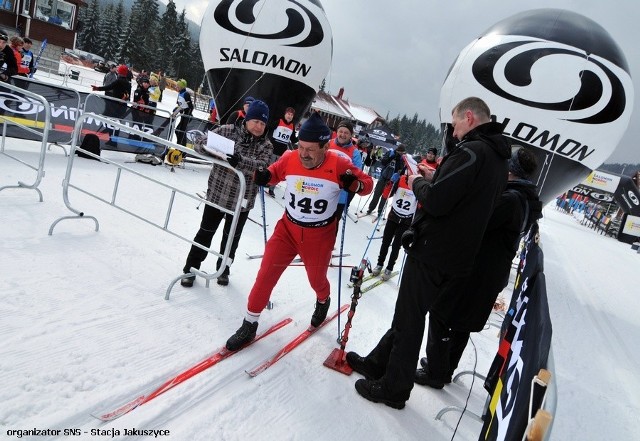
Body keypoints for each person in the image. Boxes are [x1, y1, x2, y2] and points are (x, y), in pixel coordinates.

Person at [346, 97, 511, 410]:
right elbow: (465, 195)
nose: (455, 131)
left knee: (409, 317)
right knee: (410, 313)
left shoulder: (472, 151)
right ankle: (379, 362)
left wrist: (417, 181)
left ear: (471, 117)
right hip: (457, 252)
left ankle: (394, 387)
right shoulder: (497, 157)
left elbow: (436, 201)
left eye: (457, 123)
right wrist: (436, 177)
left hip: (435, 248)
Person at [224, 113, 374, 351]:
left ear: (325, 147)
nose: (304, 154)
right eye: (301, 147)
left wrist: (353, 184)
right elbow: (273, 173)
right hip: (288, 229)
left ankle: (323, 300)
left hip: (319, 235)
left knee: (316, 280)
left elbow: (367, 185)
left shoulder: (339, 162)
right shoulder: (291, 157)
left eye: (311, 150)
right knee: (266, 274)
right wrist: (264, 177)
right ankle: (249, 323)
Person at [415, 147, 542, 389]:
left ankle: (436, 370)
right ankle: (443, 365)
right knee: (460, 322)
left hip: (477, 271)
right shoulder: (523, 196)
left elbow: (475, 218)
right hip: (488, 271)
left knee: (442, 314)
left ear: (511, 170)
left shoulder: (511, 199)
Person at [181, 100, 273, 288]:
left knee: (231, 240)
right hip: (218, 194)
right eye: (255, 121)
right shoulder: (227, 131)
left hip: (242, 201)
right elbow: (200, 143)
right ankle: (190, 268)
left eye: (263, 124)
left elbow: (262, 165)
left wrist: (240, 161)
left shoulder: (266, 145)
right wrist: (216, 152)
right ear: (247, 119)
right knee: (205, 233)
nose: (258, 127)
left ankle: (223, 269)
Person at [371, 174, 417, 280]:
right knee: (385, 242)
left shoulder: (418, 183)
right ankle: (379, 264)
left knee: (396, 245)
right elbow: (386, 195)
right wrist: (390, 183)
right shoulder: (400, 179)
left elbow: (420, 204)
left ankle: (389, 268)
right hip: (393, 216)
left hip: (406, 220)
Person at [329, 120, 362, 217]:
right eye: (341, 131)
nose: (343, 135)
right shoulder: (328, 144)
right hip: (323, 191)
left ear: (351, 135)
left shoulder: (355, 153)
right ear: (337, 132)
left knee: (332, 227)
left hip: (340, 196)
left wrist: (351, 177)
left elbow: (357, 174)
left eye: (346, 132)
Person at [366, 144, 406, 219]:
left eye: (402, 152)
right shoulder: (390, 153)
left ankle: (380, 212)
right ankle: (371, 208)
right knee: (377, 194)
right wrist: (392, 157)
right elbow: (383, 162)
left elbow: (401, 170)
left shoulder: (401, 159)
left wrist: (398, 161)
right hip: (383, 177)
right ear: (397, 150)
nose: (400, 153)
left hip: (391, 180)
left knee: (384, 197)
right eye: (399, 151)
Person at [266, 106, 298, 196]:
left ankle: (271, 189)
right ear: (285, 114)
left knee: (278, 171)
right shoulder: (279, 121)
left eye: (291, 115)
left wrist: (301, 136)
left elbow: (293, 140)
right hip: (273, 149)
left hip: (282, 152)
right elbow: (269, 127)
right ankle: (263, 183)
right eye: (288, 114)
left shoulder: (292, 126)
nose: (289, 116)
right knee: (269, 167)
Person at [173, 79, 194, 147]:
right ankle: (179, 145)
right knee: (177, 131)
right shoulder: (180, 93)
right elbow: (180, 105)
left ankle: (182, 148)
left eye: (178, 86)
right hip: (183, 115)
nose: (176, 87)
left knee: (181, 131)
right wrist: (177, 109)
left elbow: (191, 107)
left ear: (182, 87)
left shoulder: (186, 94)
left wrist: (187, 113)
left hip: (187, 116)